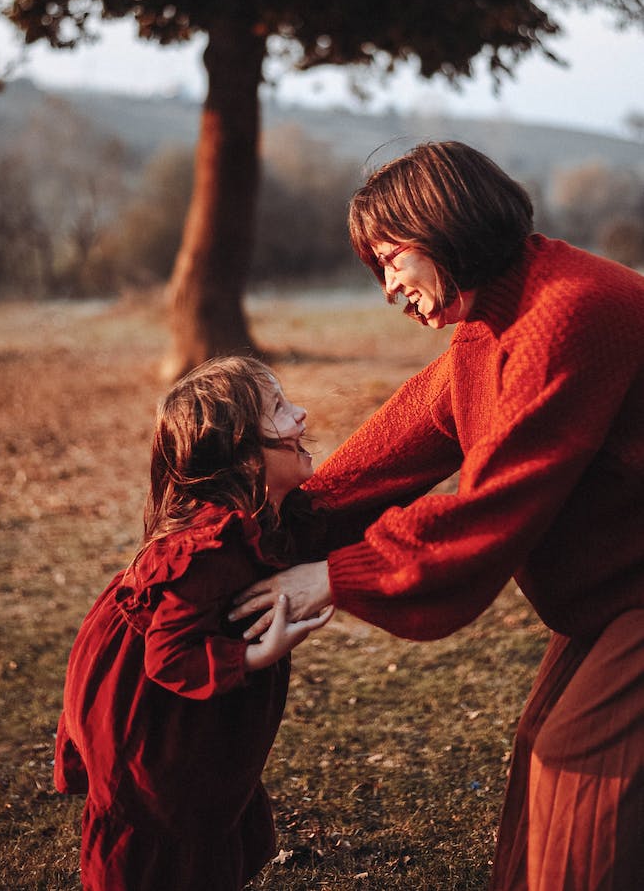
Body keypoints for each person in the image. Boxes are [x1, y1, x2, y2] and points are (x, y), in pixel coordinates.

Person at [232, 141, 644, 889]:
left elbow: (489, 507)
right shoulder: (494, 322)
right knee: (541, 745)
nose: (389, 289)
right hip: (615, 595)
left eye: (391, 260)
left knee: (581, 758)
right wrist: (283, 521)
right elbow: (401, 440)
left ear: (442, 226)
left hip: (634, 594)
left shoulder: (568, 311)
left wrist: (333, 572)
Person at [54, 355, 333, 891]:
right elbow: (169, 656)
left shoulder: (260, 520)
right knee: (162, 833)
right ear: (241, 456)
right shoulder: (207, 551)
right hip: (151, 719)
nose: (301, 415)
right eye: (279, 409)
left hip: (189, 703)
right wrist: (257, 655)